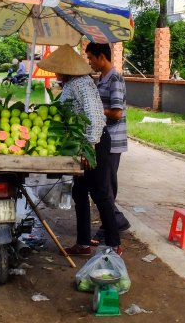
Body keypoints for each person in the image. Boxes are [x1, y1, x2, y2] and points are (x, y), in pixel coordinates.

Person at [36, 45, 118, 256]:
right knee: (80, 192)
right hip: (84, 145)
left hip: (95, 143)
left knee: (100, 193)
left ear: (66, 69)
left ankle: (114, 243)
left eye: (56, 69)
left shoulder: (81, 83)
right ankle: (83, 243)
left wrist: (90, 146)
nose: (55, 73)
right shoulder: (71, 84)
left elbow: (95, 114)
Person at [85, 43, 131, 243]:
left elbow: (117, 112)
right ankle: (117, 220)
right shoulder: (101, 79)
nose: (90, 62)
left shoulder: (115, 79)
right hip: (102, 139)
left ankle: (109, 227)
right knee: (100, 186)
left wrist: (94, 109)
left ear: (101, 57)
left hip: (112, 141)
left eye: (91, 58)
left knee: (106, 187)